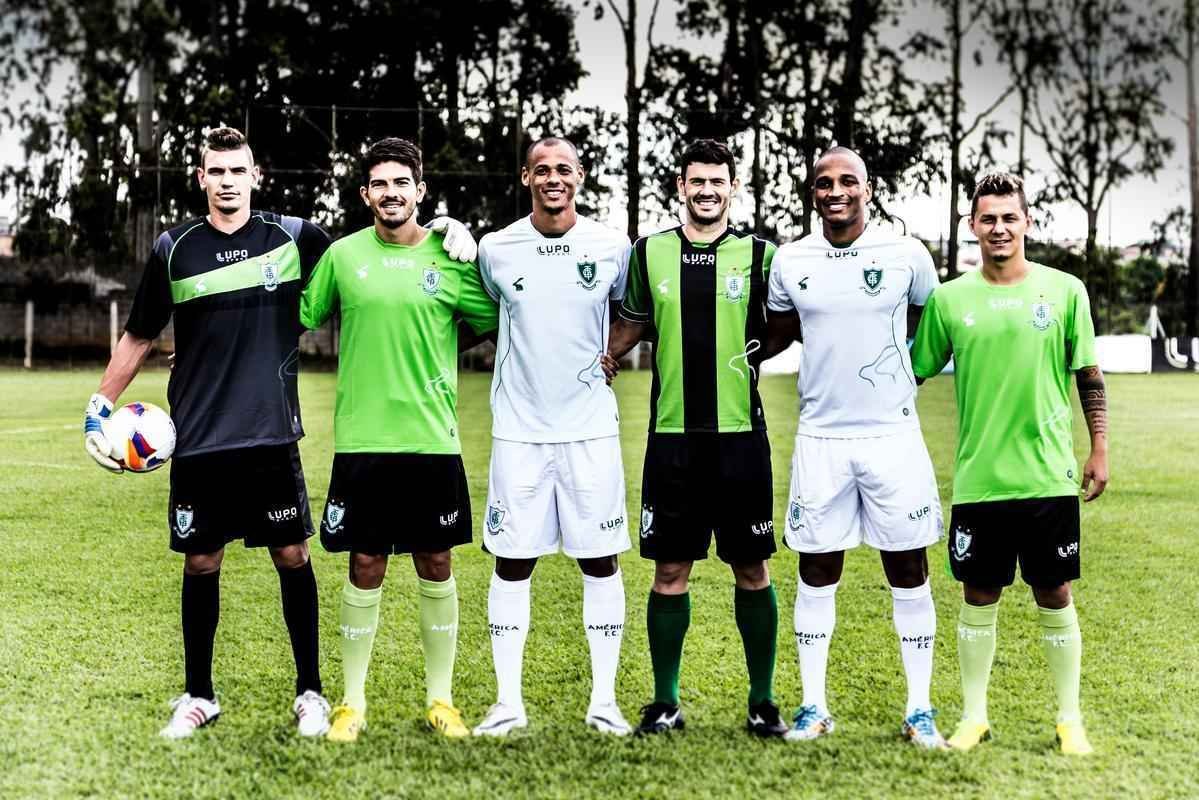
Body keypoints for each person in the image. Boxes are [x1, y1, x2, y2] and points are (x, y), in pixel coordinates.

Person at [82, 127, 477, 740]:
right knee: (200, 561)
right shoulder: (173, 247)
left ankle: (311, 693)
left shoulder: (297, 237)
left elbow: (381, 248)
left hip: (270, 434)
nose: (228, 181)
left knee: (292, 555)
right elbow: (138, 333)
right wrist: (99, 407)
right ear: (202, 179)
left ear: (254, 174)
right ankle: (199, 695)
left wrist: (452, 228)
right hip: (200, 434)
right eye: (217, 172)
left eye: (238, 170)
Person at [299, 137, 498, 743]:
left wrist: (436, 351)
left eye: (401, 183)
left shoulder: (451, 258)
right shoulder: (341, 257)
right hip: (363, 442)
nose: (391, 193)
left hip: (432, 441)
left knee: (436, 562)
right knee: (366, 564)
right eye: (379, 184)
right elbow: (297, 318)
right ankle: (351, 703)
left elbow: (495, 321)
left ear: (420, 190)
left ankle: (441, 699)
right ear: (366, 195)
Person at [910, 172, 1108, 755]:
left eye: (1009, 217)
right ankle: (974, 717)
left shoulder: (1066, 290)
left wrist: (1099, 447)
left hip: (1048, 476)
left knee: (1055, 591)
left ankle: (1069, 719)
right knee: (979, 595)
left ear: (1027, 222)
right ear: (972, 226)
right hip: (980, 478)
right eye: (988, 218)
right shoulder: (949, 300)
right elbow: (911, 374)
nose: (999, 227)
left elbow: (1089, 376)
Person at [604, 138, 787, 738]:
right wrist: (603, 357)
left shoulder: (761, 255)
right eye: (696, 181)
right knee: (668, 571)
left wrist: (752, 356)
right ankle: (665, 703)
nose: (707, 191)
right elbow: (630, 321)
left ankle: (762, 702)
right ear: (681, 186)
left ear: (733, 188)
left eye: (718, 181)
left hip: (740, 439)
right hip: (673, 439)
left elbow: (786, 323)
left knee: (752, 569)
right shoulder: (649, 252)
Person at [764, 147, 946, 747]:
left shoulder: (907, 253)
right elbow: (780, 330)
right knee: (816, 568)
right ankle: (813, 706)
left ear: (869, 189)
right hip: (821, 438)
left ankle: (920, 709)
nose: (834, 190)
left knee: (908, 568)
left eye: (847, 181)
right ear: (812, 193)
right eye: (823, 182)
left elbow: (928, 322)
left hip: (893, 437)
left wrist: (902, 379)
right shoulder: (791, 260)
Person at [470, 137, 633, 737]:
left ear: (581, 176)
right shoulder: (496, 248)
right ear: (525, 178)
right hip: (519, 433)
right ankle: (508, 703)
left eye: (564, 169)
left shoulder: (612, 245)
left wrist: (609, 352)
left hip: (590, 431)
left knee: (600, 561)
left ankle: (604, 701)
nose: (553, 179)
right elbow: (480, 312)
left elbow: (633, 311)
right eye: (542, 170)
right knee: (512, 562)